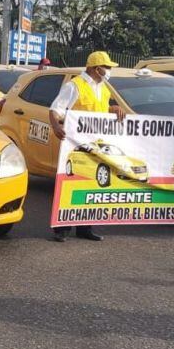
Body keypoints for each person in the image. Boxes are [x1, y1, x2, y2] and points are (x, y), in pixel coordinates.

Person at [48, 51, 126, 243]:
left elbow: (98, 110)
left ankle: (85, 227)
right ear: (94, 68)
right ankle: (62, 229)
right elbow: (55, 109)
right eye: (106, 67)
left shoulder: (104, 87)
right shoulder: (75, 85)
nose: (108, 71)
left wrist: (112, 109)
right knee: (71, 184)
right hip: (76, 145)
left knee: (91, 186)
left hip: (97, 144)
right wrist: (56, 126)